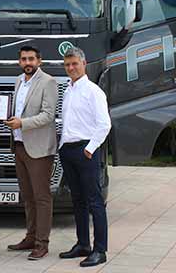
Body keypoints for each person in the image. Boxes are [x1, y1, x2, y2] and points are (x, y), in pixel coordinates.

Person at [57, 47, 112, 267]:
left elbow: (104, 124)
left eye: (74, 64)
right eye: (67, 65)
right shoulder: (68, 91)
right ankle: (83, 244)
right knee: (77, 200)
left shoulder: (93, 91)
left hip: (85, 151)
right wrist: (62, 147)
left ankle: (100, 250)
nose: (71, 68)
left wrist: (89, 149)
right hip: (68, 150)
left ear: (84, 64)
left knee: (94, 202)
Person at [4, 45, 58, 260]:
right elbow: (18, 110)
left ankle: (42, 243)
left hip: (39, 149)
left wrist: (21, 123)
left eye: (31, 59)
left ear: (39, 61)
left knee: (41, 197)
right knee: (27, 196)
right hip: (19, 145)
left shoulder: (48, 82)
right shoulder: (19, 80)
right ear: (19, 62)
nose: (27, 63)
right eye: (24, 59)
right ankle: (30, 237)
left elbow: (48, 115)